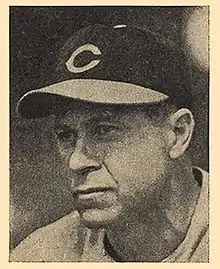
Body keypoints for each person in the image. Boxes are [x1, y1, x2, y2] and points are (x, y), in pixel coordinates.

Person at [10, 24, 208, 262]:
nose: (76, 161)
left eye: (104, 130)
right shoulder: (39, 257)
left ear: (178, 133)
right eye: (66, 135)